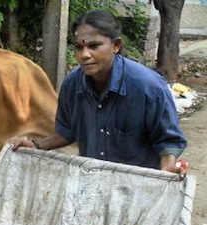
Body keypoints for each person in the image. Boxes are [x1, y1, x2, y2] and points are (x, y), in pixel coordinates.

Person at [13, 9, 187, 176]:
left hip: (136, 188)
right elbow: (67, 131)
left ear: (115, 45)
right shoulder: (72, 85)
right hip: (92, 181)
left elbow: (168, 139)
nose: (85, 54)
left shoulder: (149, 87)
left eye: (94, 46)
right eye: (79, 48)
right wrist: (36, 145)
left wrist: (167, 168)